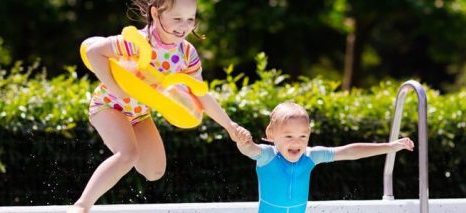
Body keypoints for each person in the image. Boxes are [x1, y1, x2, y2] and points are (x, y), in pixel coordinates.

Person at [69, 0, 250, 212]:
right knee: (128, 154)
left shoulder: (186, 54)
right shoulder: (137, 42)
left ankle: (120, 163)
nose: (184, 26)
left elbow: (202, 96)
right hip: (109, 105)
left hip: (139, 114)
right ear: (156, 14)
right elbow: (93, 51)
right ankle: (82, 206)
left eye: (190, 19)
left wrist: (230, 126)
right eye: (177, 19)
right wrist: (115, 88)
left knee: (154, 172)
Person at [233, 102, 415, 213]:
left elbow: (349, 152)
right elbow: (250, 150)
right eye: (288, 136)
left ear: (309, 134)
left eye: (302, 136)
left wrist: (390, 147)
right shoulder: (267, 157)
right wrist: (243, 142)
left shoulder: (311, 157)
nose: (296, 142)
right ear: (271, 134)